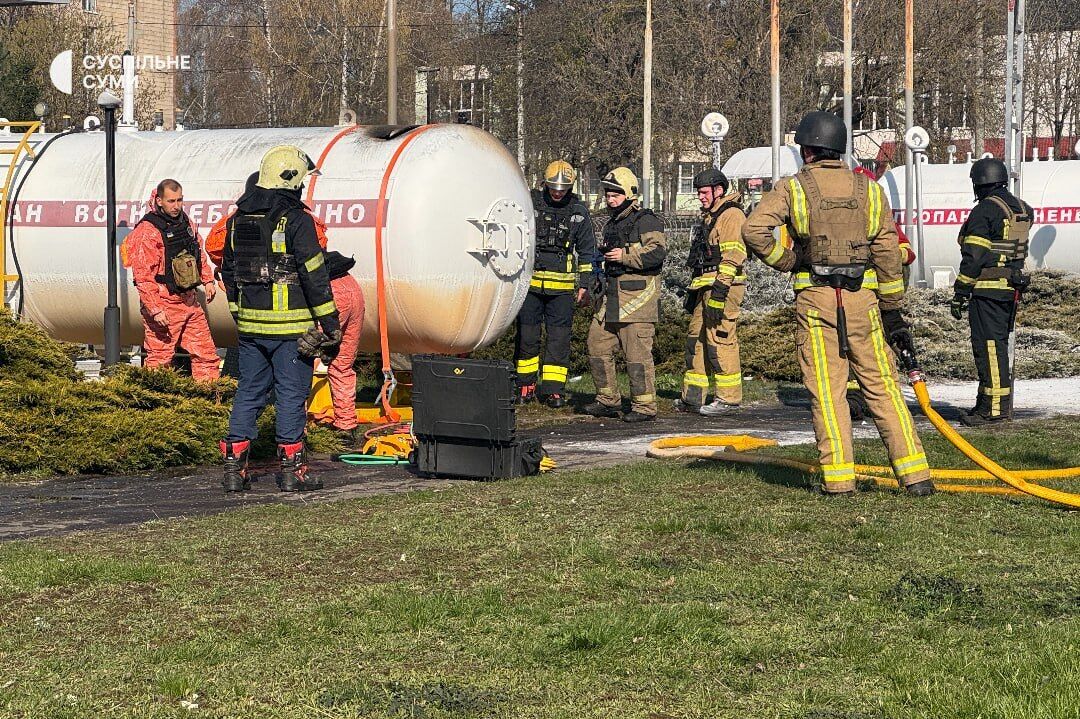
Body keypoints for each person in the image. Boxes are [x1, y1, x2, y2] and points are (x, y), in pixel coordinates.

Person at [742, 111, 935, 496]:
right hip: (863, 302)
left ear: (808, 150)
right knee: (882, 386)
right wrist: (892, 306)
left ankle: (839, 480)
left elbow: (753, 229)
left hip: (815, 302)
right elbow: (886, 250)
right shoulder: (869, 189)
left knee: (828, 393)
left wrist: (788, 260)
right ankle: (916, 477)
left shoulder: (792, 188)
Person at [218, 145, 342, 493]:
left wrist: (239, 315)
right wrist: (330, 325)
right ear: (292, 179)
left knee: (249, 392)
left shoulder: (237, 220)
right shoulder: (298, 221)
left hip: (251, 329)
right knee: (290, 395)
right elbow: (314, 276)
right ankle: (293, 470)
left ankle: (234, 469)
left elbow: (228, 272)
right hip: (291, 331)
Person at [949, 157, 1032, 426]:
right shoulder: (1020, 208)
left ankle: (994, 410)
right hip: (1009, 289)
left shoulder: (985, 210)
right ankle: (985, 404)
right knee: (995, 347)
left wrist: (961, 291)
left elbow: (974, 256)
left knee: (990, 349)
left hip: (986, 290)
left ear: (979, 183)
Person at [584, 167, 667, 423]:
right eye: (608, 194)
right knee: (596, 344)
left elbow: (657, 253)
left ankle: (644, 407)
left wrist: (625, 256)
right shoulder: (612, 224)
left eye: (615, 195)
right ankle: (608, 400)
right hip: (612, 299)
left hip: (638, 301)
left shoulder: (647, 221)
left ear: (629, 194)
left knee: (637, 356)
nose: (610, 199)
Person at [514, 161, 597, 408]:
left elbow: (587, 251)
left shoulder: (578, 212)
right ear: (545, 184)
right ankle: (525, 385)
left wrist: (585, 285)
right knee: (527, 338)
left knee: (558, 341)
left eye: (562, 188)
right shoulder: (531, 204)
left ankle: (554, 391)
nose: (557, 192)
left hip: (561, 290)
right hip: (530, 287)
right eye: (553, 187)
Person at [122, 179, 220, 382]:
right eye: (171, 201)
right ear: (159, 200)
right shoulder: (148, 231)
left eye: (180, 200)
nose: (176, 206)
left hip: (189, 301)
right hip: (164, 304)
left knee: (207, 356)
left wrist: (208, 280)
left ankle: (209, 401)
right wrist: (155, 309)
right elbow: (143, 275)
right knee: (160, 360)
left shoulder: (185, 222)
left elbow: (196, 251)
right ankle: (155, 407)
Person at [847, 166, 917, 420]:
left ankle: (878, 399)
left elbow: (907, 253)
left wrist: (880, 255)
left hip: (876, 296)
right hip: (854, 296)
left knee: (876, 347)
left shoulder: (882, 218)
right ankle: (855, 398)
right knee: (851, 347)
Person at [678, 168, 747, 416]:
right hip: (705, 285)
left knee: (721, 338)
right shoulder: (711, 216)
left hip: (724, 287)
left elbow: (733, 256)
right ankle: (693, 397)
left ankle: (728, 399)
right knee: (696, 338)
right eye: (698, 192)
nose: (701, 197)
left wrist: (719, 293)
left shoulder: (731, 216)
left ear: (719, 191)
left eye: (704, 192)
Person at [324, 251, 365, 444]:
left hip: (330, 290)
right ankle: (346, 426)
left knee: (301, 363)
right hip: (352, 286)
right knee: (342, 364)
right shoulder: (308, 230)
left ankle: (295, 430)